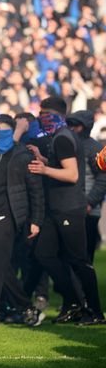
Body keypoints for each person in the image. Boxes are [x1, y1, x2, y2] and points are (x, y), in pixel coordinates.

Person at [28, 96, 104, 324]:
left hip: (69, 208)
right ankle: (72, 302)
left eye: (43, 114)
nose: (40, 118)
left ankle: (94, 311)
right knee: (44, 254)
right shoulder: (61, 137)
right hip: (57, 208)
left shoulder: (62, 138)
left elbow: (72, 174)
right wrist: (43, 159)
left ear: (54, 115)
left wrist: (44, 169)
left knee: (78, 260)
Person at [0, 114, 45, 328]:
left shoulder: (23, 155)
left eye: (1, 128)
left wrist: (36, 220)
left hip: (10, 217)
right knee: (2, 266)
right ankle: (27, 308)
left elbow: (36, 191)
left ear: (11, 129)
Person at [65, 111, 106, 263]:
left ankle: (85, 286)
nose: (71, 128)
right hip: (70, 207)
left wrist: (90, 202)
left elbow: (103, 178)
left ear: (84, 127)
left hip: (88, 210)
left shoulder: (95, 149)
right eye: (69, 124)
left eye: (75, 125)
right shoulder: (68, 144)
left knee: (85, 257)